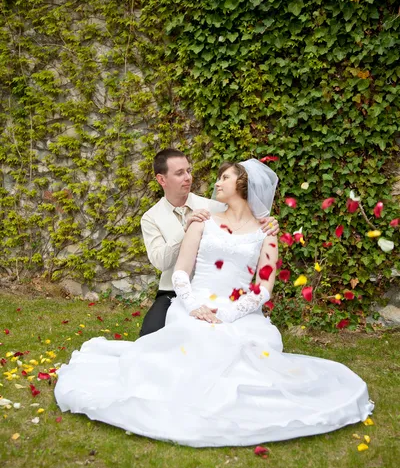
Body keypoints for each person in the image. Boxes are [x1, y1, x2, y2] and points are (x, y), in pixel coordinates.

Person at [54, 159, 374, 448]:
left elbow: (263, 288)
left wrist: (230, 313)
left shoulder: (267, 233)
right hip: (194, 303)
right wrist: (194, 307)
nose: (216, 183)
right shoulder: (203, 220)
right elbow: (181, 271)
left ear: (242, 185)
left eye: (225, 177)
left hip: (239, 310)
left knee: (249, 349)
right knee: (197, 337)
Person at [139, 149, 280, 337]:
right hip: (173, 290)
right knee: (150, 337)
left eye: (188, 170)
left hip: (228, 297)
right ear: (162, 180)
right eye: (180, 173)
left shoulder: (214, 206)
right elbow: (161, 262)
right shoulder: (151, 218)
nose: (188, 177)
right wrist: (185, 229)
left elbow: (243, 213)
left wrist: (269, 222)